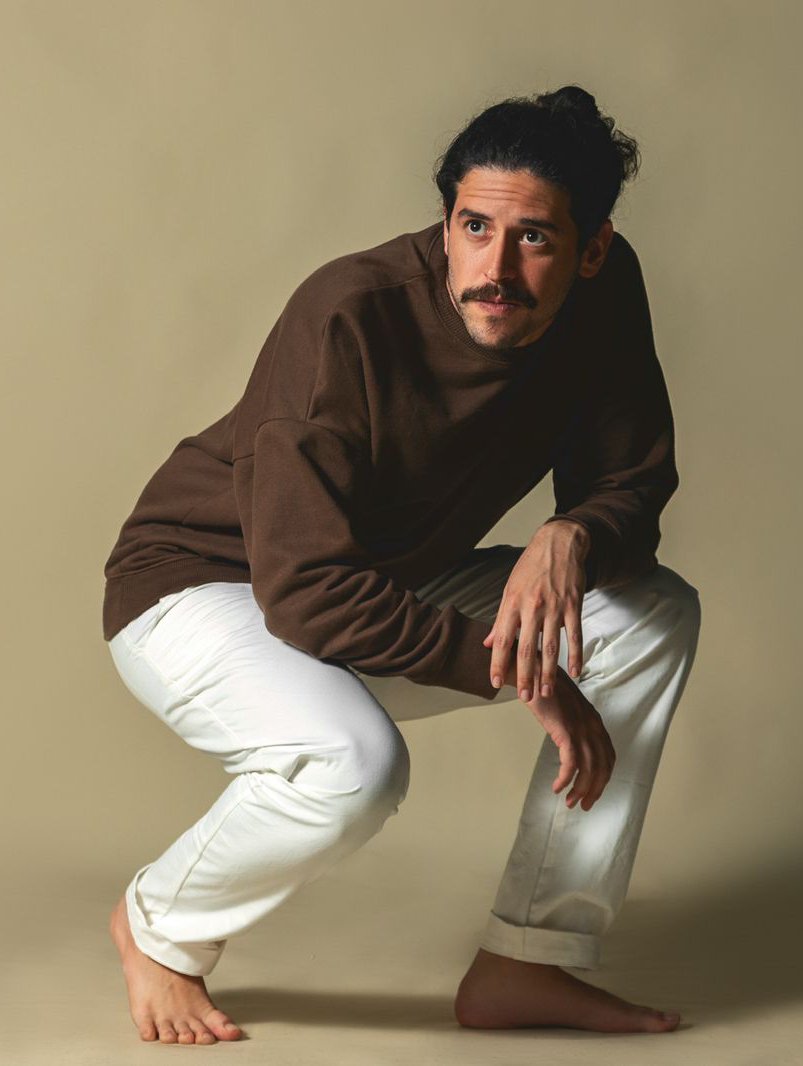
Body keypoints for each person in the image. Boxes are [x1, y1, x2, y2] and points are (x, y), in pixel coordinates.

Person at [104, 85, 701, 1045]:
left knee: (650, 613)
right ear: (446, 220)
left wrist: (571, 534)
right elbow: (303, 590)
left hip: (376, 582)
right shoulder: (349, 314)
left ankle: (528, 958)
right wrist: (529, 673)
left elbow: (631, 478)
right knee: (355, 766)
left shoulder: (604, 293)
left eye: (534, 239)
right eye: (473, 228)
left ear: (592, 249)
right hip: (203, 585)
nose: (494, 269)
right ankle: (157, 925)